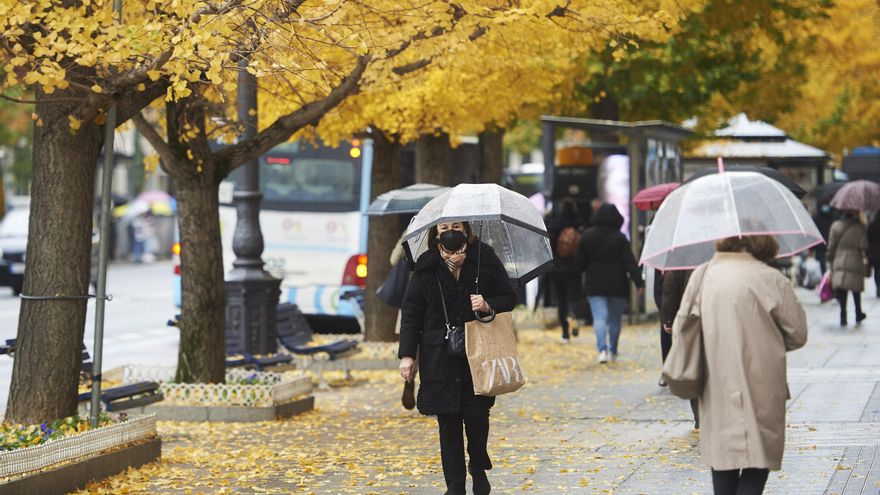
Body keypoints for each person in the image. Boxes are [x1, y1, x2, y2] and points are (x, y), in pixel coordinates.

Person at [674, 235, 807, 495]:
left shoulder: (702, 276)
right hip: (763, 380)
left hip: (715, 380)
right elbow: (797, 333)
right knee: (759, 457)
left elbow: (681, 327)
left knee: (723, 459)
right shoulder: (771, 279)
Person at [398, 221, 517, 495]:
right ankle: (454, 486)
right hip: (438, 356)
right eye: (443, 226)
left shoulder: (483, 258)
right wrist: (407, 355)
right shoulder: (426, 265)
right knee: (448, 423)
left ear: (465, 228)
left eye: (455, 225)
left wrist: (488, 305)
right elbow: (412, 312)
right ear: (435, 232)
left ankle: (477, 464)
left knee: (476, 415)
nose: (449, 231)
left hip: (478, 353)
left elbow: (509, 297)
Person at [577, 203, 644, 363]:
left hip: (595, 283)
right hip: (618, 283)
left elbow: (580, 262)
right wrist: (639, 282)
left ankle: (602, 351)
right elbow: (630, 262)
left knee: (600, 317)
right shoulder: (620, 238)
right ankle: (613, 350)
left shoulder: (587, 236)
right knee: (615, 319)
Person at [660, 268, 699, 428]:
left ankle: (700, 416)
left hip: (690, 323)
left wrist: (668, 318)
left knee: (694, 366)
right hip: (718, 322)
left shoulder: (682, 258)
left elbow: (670, 287)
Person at [546, 197, 584, 343]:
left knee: (561, 299)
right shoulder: (579, 224)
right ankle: (572, 312)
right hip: (574, 267)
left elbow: (549, 244)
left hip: (558, 268)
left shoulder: (555, 224)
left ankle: (565, 333)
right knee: (573, 296)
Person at [827, 210, 869, 326]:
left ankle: (843, 316)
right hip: (855, 259)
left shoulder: (836, 226)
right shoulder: (859, 227)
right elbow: (864, 245)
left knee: (842, 289)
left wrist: (830, 259)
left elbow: (831, 246)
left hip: (839, 259)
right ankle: (858, 313)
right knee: (856, 289)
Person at [867, 212, 880, 297]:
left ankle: (878, 288)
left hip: (874, 253)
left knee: (876, 271)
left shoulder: (872, 225)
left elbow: (868, 238)